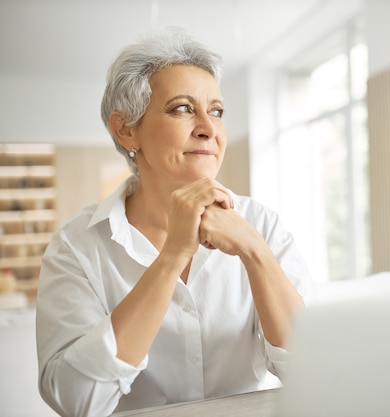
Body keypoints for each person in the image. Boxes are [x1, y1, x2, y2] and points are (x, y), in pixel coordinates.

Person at [36, 27, 313, 417]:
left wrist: (255, 251)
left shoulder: (262, 226)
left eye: (216, 110)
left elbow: (314, 371)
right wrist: (171, 257)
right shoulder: (76, 248)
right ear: (126, 129)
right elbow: (77, 401)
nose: (208, 127)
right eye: (183, 108)